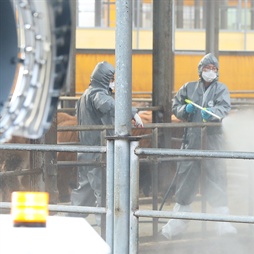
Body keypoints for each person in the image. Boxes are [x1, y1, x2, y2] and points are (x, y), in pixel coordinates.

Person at [159, 53, 237, 239]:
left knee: (216, 177)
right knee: (186, 179)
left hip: (212, 142)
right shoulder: (189, 88)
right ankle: (176, 225)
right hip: (191, 141)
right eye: (207, 68)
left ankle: (222, 225)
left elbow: (224, 108)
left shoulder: (221, 89)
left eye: (214, 69)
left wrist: (213, 112)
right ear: (200, 70)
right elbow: (176, 106)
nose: (210, 71)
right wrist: (184, 110)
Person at [70, 61, 144, 223]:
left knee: (85, 191)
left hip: (86, 150)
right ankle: (105, 232)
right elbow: (109, 105)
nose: (113, 81)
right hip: (99, 151)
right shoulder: (98, 94)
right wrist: (133, 113)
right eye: (111, 78)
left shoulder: (85, 95)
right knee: (103, 192)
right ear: (103, 78)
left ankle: (71, 224)